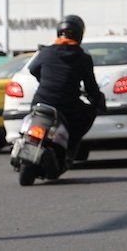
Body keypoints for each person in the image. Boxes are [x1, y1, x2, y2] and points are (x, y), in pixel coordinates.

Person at [28, 15, 106, 159]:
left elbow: (33, 69)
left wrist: (45, 80)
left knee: (31, 116)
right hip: (67, 105)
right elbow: (91, 86)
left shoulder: (46, 52)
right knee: (88, 113)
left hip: (41, 101)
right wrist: (98, 101)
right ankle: (70, 151)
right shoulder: (83, 57)